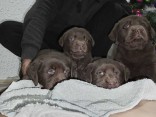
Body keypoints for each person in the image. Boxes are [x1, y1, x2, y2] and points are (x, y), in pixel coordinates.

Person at [0, 0, 132, 76]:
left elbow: (127, 14)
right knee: (6, 29)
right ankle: (50, 63)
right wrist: (28, 57)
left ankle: (88, 69)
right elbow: (38, 16)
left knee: (115, 9)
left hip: (85, 49)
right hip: (51, 45)